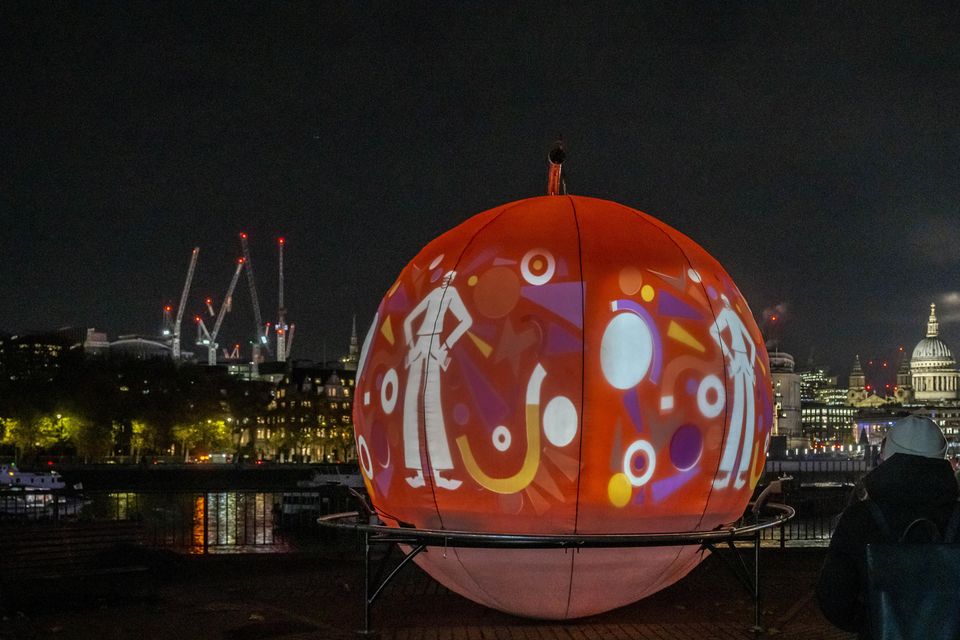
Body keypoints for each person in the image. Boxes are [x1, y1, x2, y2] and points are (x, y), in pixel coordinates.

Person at [816, 415, 959, 637]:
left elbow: (834, 598)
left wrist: (874, 622)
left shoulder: (861, 518)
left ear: (886, 457)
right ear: (943, 459)